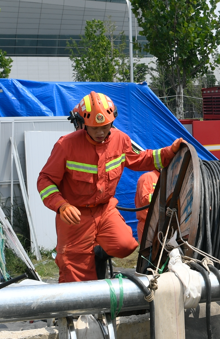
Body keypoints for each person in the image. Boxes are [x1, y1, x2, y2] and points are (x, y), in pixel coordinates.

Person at [37, 91, 184, 283]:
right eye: (94, 128)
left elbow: (140, 159)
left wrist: (168, 153)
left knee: (126, 244)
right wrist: (61, 205)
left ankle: (97, 252)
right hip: (76, 216)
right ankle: (78, 312)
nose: (100, 132)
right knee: (73, 269)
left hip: (105, 210)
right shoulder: (66, 146)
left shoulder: (120, 140)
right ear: (83, 125)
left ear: (112, 122)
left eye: (105, 126)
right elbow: (45, 180)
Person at [135, 170, 159, 234]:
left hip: (159, 222)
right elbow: (144, 199)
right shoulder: (148, 177)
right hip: (147, 223)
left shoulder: (164, 177)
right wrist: (162, 195)